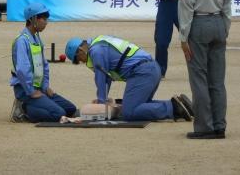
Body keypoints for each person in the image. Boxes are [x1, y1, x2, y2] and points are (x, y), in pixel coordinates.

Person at [65, 35, 193, 122]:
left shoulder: (96, 52)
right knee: (140, 106)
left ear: (80, 50)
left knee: (129, 112)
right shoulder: (99, 44)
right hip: (150, 69)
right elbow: (107, 78)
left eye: (78, 60)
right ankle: (177, 103)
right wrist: (103, 99)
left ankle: (174, 108)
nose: (81, 62)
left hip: (141, 72)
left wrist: (101, 102)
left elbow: (101, 77)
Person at [178, 0, 232, 139]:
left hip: (198, 24)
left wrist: (183, 38)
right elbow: (227, 6)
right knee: (217, 79)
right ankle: (220, 125)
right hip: (218, 22)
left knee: (199, 77)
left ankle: (204, 127)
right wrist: (224, 27)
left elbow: (185, 9)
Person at [9, 3, 77, 123]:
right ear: (33, 19)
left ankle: (37, 104)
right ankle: (24, 109)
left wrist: (45, 87)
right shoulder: (22, 41)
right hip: (25, 90)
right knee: (58, 113)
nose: (46, 22)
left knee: (70, 109)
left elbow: (44, 65)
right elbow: (22, 70)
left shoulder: (36, 38)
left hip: (39, 88)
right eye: (43, 19)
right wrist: (31, 91)